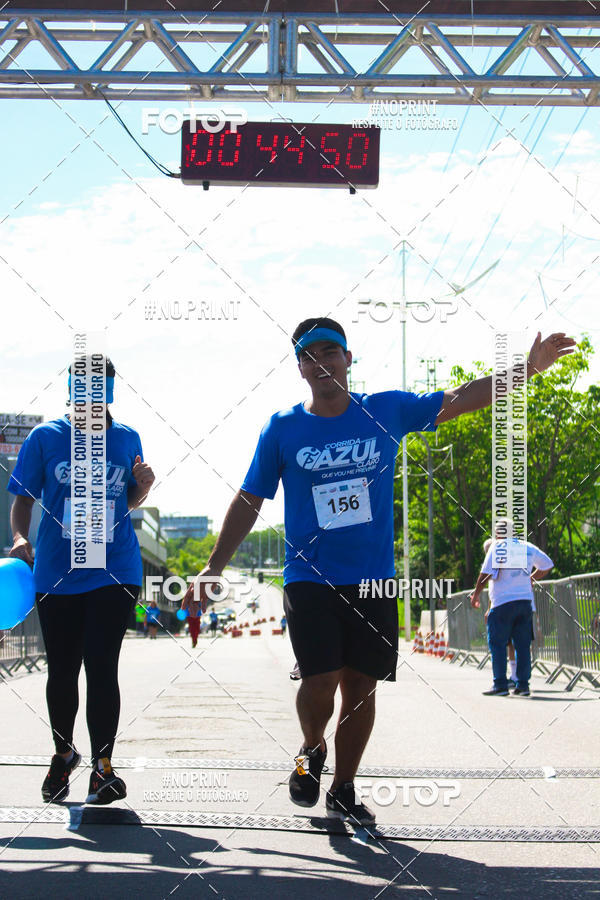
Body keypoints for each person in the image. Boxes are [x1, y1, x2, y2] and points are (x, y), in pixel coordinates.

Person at [183, 318, 573, 823]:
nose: (321, 362)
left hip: (372, 579)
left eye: (330, 351)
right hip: (310, 576)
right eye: (309, 355)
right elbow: (251, 496)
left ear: (348, 359)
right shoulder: (282, 428)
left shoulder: (384, 409)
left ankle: (343, 787)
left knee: (360, 688)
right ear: (300, 368)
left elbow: (458, 397)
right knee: (320, 680)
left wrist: (525, 371)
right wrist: (214, 566)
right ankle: (310, 748)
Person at [8, 356, 155, 805]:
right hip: (58, 570)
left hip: (115, 568)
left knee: (102, 666)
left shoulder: (127, 438)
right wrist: (17, 537)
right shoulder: (45, 437)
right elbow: (22, 500)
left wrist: (143, 487)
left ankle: (103, 768)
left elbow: (125, 503)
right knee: (63, 669)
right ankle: (63, 753)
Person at [471, 522, 554, 697]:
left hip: (502, 602)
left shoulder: (497, 547)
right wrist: (531, 578)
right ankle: (523, 685)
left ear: (498, 534)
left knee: (498, 643)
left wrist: (476, 594)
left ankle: (500, 684)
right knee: (523, 645)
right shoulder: (526, 546)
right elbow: (547, 564)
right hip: (525, 602)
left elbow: (485, 573)